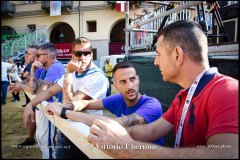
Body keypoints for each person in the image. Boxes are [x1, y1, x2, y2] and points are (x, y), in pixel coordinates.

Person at [87, 20, 238, 159]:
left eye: (158, 54)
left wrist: (130, 149)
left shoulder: (227, 90)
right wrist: (111, 134)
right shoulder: (182, 96)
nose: (155, 62)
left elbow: (226, 154)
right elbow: (151, 131)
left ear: (177, 55)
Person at [23, 37, 109, 159]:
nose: (82, 57)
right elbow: (49, 92)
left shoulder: (96, 77)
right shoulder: (73, 73)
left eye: (86, 53)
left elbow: (70, 106)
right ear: (72, 54)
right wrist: (29, 105)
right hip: (67, 131)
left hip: (87, 133)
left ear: (92, 54)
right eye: (78, 53)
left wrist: (68, 73)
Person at [45, 61, 164, 146]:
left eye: (132, 79)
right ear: (115, 85)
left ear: (138, 79)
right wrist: (67, 106)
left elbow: (112, 124)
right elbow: (87, 103)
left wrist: (65, 112)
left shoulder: (152, 105)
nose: (129, 86)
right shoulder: (119, 99)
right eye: (123, 82)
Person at [8, 45, 39, 148]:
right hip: (36, 97)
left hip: (38, 98)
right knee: (33, 117)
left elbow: (29, 79)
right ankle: (31, 138)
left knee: (33, 118)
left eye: (29, 53)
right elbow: (28, 79)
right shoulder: (31, 65)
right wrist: (20, 86)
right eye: (27, 53)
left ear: (36, 55)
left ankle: (31, 139)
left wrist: (21, 86)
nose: (26, 55)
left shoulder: (33, 65)